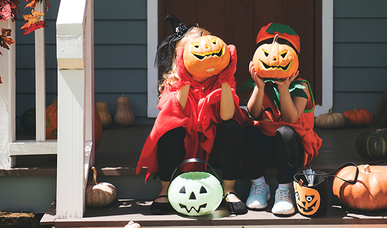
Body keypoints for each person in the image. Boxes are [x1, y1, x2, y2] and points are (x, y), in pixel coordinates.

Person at [136, 14, 248, 215]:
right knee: (170, 129)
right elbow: (175, 113)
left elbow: (227, 115)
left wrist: (225, 79)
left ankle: (229, 190)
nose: (205, 53)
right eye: (196, 50)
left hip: (212, 147)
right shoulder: (174, 83)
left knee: (231, 127)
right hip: (183, 149)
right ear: (183, 57)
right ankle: (164, 190)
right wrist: (185, 79)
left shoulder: (221, 81)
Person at [242, 23, 322, 215]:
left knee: (285, 132)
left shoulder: (300, 87)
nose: (275, 58)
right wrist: (259, 87)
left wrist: (284, 88)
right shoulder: (263, 85)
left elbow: (291, 118)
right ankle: (259, 185)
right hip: (267, 146)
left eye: (283, 54)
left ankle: (285, 189)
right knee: (248, 129)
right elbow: (253, 113)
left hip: (292, 148)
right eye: (267, 53)